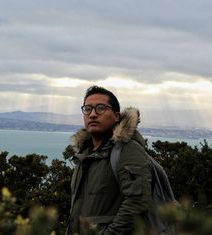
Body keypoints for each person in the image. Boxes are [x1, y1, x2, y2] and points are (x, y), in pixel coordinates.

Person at [66, 85, 156, 234]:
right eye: (87, 109)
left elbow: (137, 203)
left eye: (101, 108)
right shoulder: (85, 156)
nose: (93, 114)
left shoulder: (127, 150)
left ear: (116, 116)